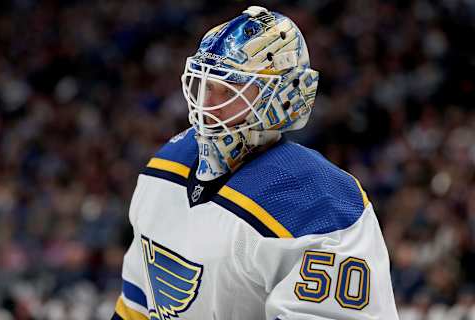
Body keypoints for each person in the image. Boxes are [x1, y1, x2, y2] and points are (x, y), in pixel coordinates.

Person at [112, 6, 399, 320]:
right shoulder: (165, 166)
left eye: (229, 89)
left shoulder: (322, 203)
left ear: (282, 97)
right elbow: (135, 308)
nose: (207, 105)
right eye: (206, 85)